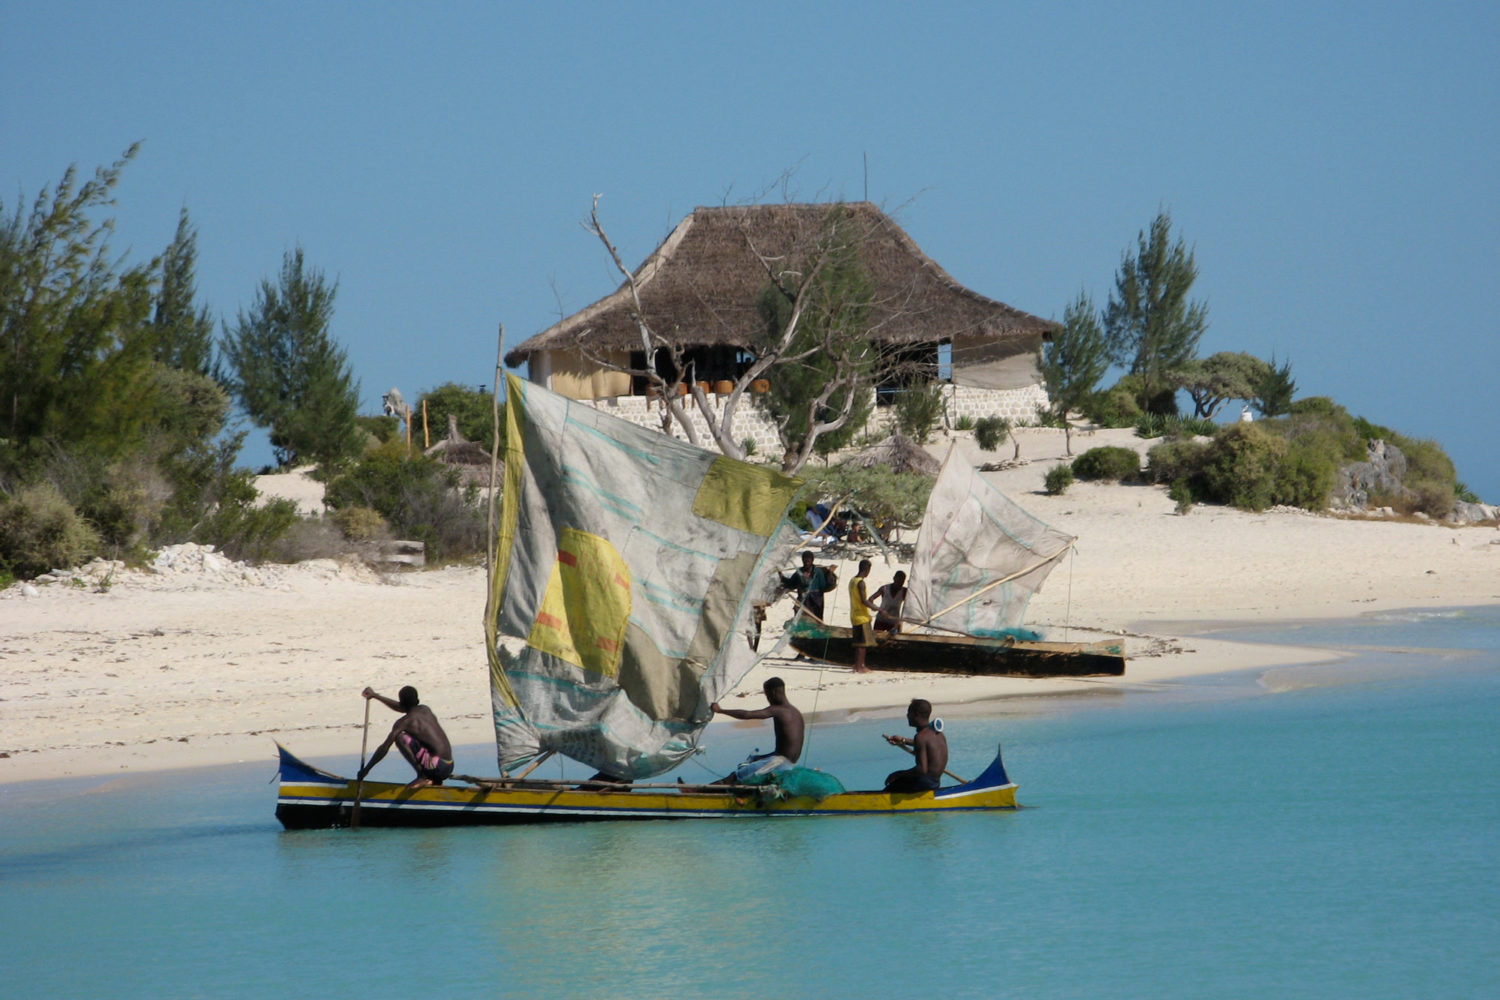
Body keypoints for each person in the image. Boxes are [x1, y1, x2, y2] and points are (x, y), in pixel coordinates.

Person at [358, 685, 454, 789]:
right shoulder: (425, 709)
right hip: (448, 766)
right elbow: (401, 707)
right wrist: (375, 696)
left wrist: (367, 769)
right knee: (420, 742)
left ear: (402, 703)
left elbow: (384, 748)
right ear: (417, 700)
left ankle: (423, 776)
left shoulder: (404, 722)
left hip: (436, 767)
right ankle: (435, 779)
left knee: (400, 737)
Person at [710, 677, 804, 783]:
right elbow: (785, 751)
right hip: (789, 764)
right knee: (748, 776)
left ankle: (696, 793)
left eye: (767, 695)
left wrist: (721, 710)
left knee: (735, 777)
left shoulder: (779, 710)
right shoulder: (796, 712)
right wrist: (760, 757)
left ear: (773, 692)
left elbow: (747, 714)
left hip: (778, 763)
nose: (768, 699)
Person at [882, 698, 948, 793]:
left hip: (924, 783)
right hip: (935, 783)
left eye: (909, 713)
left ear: (916, 714)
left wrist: (898, 774)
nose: (907, 715)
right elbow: (925, 745)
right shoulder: (938, 734)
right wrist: (903, 740)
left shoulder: (920, 737)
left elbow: (922, 770)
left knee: (892, 786)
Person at [781, 550, 836, 621]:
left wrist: (830, 573)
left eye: (808, 562)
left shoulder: (818, 573)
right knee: (800, 622)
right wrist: (782, 577)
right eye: (805, 562)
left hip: (816, 603)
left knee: (816, 621)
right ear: (802, 561)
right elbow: (791, 584)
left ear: (812, 561)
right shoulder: (799, 572)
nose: (806, 563)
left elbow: (824, 587)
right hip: (803, 602)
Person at [849, 559, 877, 673]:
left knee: (858, 643)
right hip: (862, 616)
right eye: (869, 570)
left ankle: (859, 665)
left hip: (854, 615)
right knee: (862, 644)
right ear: (866, 569)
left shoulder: (852, 581)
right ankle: (860, 667)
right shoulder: (861, 583)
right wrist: (877, 608)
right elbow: (864, 601)